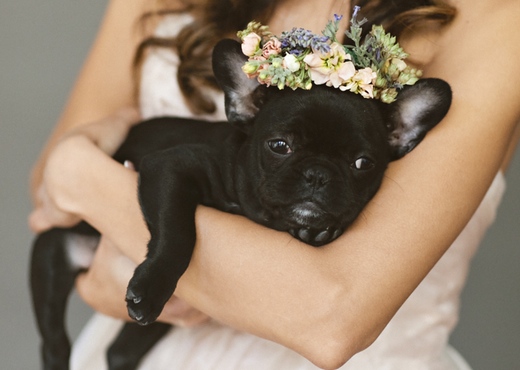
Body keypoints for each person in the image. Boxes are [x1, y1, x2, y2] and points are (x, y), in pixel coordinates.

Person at [29, 0, 520, 368]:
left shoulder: (496, 20)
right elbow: (49, 205)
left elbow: (330, 317)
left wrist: (83, 174)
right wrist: (104, 280)